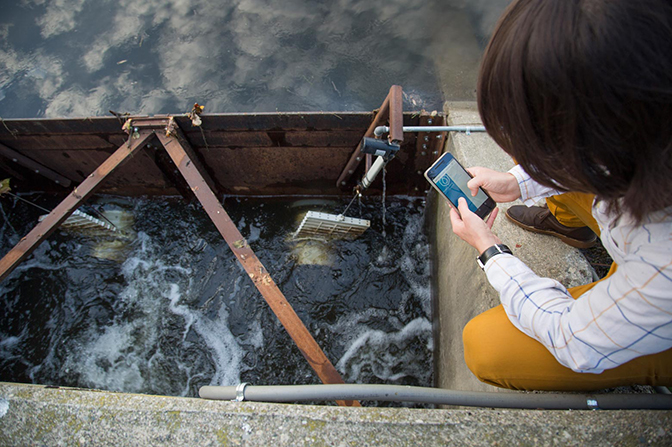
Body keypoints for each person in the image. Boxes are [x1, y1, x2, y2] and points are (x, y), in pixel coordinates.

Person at [449, 0, 672, 391]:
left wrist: (492, 251)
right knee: (532, 151)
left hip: (656, 298)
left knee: (488, 347)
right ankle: (571, 226)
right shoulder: (653, 123)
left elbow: (573, 340)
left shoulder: (661, 265)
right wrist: (519, 181)